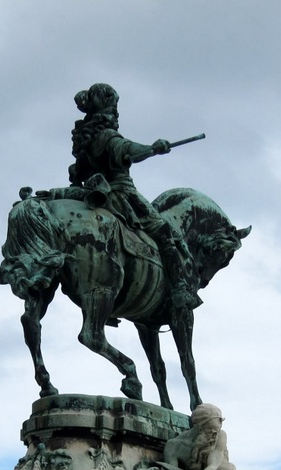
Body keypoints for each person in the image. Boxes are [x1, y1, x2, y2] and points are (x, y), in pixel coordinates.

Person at [69, 83, 202, 311]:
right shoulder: (107, 136)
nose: (116, 113)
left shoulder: (87, 141)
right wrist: (153, 148)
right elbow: (127, 149)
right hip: (122, 197)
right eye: (115, 108)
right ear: (109, 109)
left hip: (93, 194)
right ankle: (180, 289)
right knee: (165, 233)